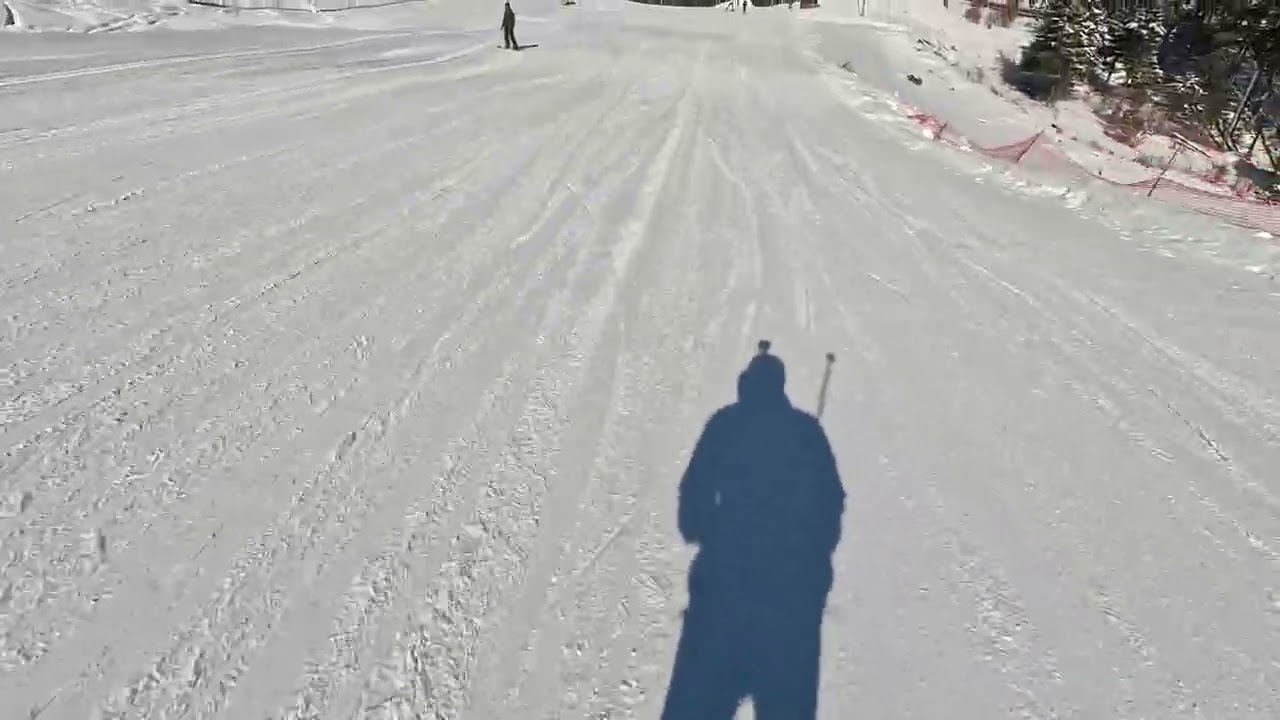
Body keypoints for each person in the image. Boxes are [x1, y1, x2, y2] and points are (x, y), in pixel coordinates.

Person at [661, 341, 845, 720]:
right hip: (790, 606)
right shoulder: (807, 432)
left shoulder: (725, 424)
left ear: (745, 384)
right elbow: (832, 502)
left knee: (697, 706)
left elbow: (692, 493)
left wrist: (705, 531)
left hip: (722, 597)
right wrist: (812, 560)